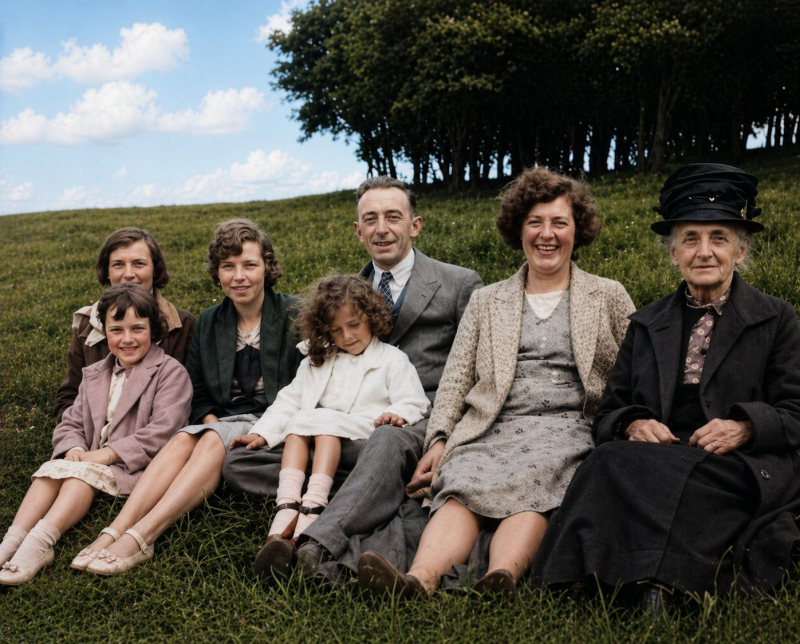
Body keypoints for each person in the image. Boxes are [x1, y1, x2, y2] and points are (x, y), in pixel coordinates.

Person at [356, 166, 635, 600]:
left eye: (559, 223)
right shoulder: (488, 301)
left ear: (577, 230)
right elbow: (456, 378)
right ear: (518, 230)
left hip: (568, 429)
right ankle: (419, 579)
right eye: (535, 222)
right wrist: (439, 439)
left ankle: (501, 576)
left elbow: (635, 370)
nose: (547, 234)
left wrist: (630, 425)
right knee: (461, 483)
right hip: (491, 426)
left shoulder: (608, 295)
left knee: (539, 479)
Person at [532, 163, 800, 607]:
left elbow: (795, 411)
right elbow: (610, 410)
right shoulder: (646, 323)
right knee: (606, 461)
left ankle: (646, 581)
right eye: (690, 239)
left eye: (719, 238)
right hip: (661, 454)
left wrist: (745, 427)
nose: (704, 252)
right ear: (673, 253)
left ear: (742, 250)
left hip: (735, 464)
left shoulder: (776, 319)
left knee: (681, 482)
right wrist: (633, 424)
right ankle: (603, 580)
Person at [222, 176, 483, 579]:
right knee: (239, 463)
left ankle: (314, 538)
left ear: (414, 225)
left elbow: (477, 369)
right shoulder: (346, 295)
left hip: (411, 421)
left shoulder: (459, 283)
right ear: (358, 231)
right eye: (371, 219)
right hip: (341, 433)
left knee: (385, 441)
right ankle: (371, 487)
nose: (382, 228)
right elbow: (299, 390)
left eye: (393, 217)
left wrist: (445, 435)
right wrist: (264, 432)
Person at [75, 218, 302, 576]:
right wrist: (211, 422)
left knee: (209, 438)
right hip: (227, 421)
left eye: (249, 265)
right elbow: (197, 389)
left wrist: (220, 432)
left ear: (267, 267)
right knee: (183, 438)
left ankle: (142, 537)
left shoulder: (295, 314)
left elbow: (311, 387)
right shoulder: (210, 321)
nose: (239, 276)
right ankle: (113, 531)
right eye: (228, 267)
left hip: (278, 422)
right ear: (217, 272)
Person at [230, 275, 429, 577]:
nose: (346, 336)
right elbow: (289, 401)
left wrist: (395, 414)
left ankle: (310, 508)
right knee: (237, 462)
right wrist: (261, 432)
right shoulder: (317, 360)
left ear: (371, 319)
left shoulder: (392, 359)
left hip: (359, 445)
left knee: (320, 423)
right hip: (312, 447)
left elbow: (414, 400)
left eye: (354, 325)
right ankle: (290, 502)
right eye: (336, 330)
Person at [0, 285, 192, 585]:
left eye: (137, 329)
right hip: (91, 458)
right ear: (104, 333)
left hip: (132, 468)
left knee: (79, 477)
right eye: (117, 330)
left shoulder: (170, 372)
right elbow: (71, 422)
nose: (127, 339)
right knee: (49, 472)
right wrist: (74, 448)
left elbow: (163, 431)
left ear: (154, 330)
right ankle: (12, 541)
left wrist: (106, 455)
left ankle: (40, 543)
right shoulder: (95, 374)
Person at [54, 227, 196, 423]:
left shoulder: (185, 325)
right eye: (118, 264)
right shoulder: (88, 323)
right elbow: (69, 397)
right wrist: (83, 435)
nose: (128, 274)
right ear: (107, 271)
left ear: (155, 270)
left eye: (139, 263)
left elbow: (193, 399)